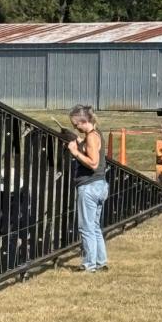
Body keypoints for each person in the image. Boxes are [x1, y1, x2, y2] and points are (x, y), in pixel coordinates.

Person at [67, 104, 108, 273]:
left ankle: (89, 264)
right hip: (100, 185)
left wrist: (75, 152)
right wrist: (79, 143)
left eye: (76, 124)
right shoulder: (96, 135)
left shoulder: (91, 137)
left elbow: (93, 163)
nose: (75, 127)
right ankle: (101, 261)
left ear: (84, 121)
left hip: (89, 186)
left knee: (86, 227)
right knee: (95, 226)